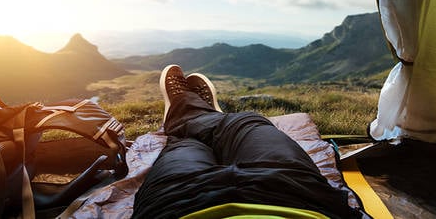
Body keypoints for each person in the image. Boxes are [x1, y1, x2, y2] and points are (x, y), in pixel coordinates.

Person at [132, 64, 370, 219]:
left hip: (178, 206)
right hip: (298, 198)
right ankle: (201, 115)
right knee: (249, 122)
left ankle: (184, 114)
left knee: (182, 144)